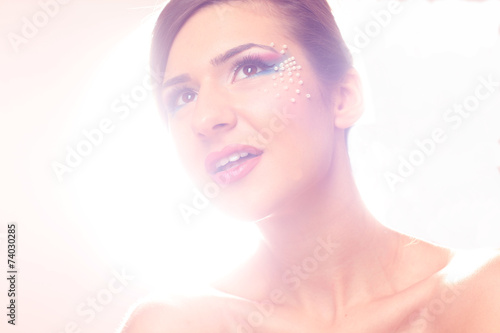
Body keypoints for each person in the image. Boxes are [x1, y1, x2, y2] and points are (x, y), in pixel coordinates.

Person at [122, 0, 500, 331]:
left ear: (342, 97)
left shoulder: (485, 295)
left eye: (249, 68)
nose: (205, 118)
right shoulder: (174, 325)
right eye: (183, 96)